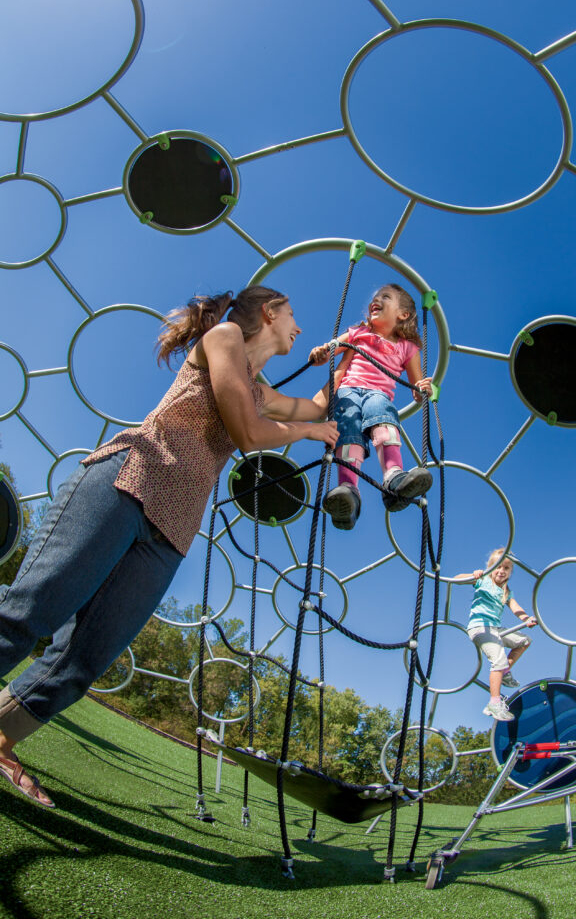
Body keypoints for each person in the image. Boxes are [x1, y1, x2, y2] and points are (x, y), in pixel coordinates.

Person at [0, 287, 338, 808]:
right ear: (269, 314)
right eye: (293, 314)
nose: (298, 326)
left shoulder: (260, 386)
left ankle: (1, 741)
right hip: (129, 481)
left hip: (172, 531)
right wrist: (312, 431)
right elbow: (249, 434)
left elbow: (314, 405)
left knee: (82, 660)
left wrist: (353, 358)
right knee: (30, 613)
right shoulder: (223, 337)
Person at [309, 283, 433, 531]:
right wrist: (322, 353)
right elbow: (332, 350)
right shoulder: (358, 332)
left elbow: (416, 385)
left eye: (385, 297)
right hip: (348, 390)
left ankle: (394, 478)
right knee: (347, 426)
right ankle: (348, 490)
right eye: (375, 297)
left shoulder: (408, 348)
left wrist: (423, 389)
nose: (375, 300)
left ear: (403, 315)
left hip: (378, 393)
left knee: (382, 410)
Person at [455, 548, 537, 722]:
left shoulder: (507, 591)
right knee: (498, 660)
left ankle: (505, 672)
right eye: (497, 567)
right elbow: (456, 580)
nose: (501, 571)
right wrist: (473, 575)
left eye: (506, 568)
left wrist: (526, 619)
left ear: (510, 572)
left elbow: (516, 608)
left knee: (524, 641)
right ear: (490, 568)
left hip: (496, 629)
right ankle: (494, 703)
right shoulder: (483, 580)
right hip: (480, 627)